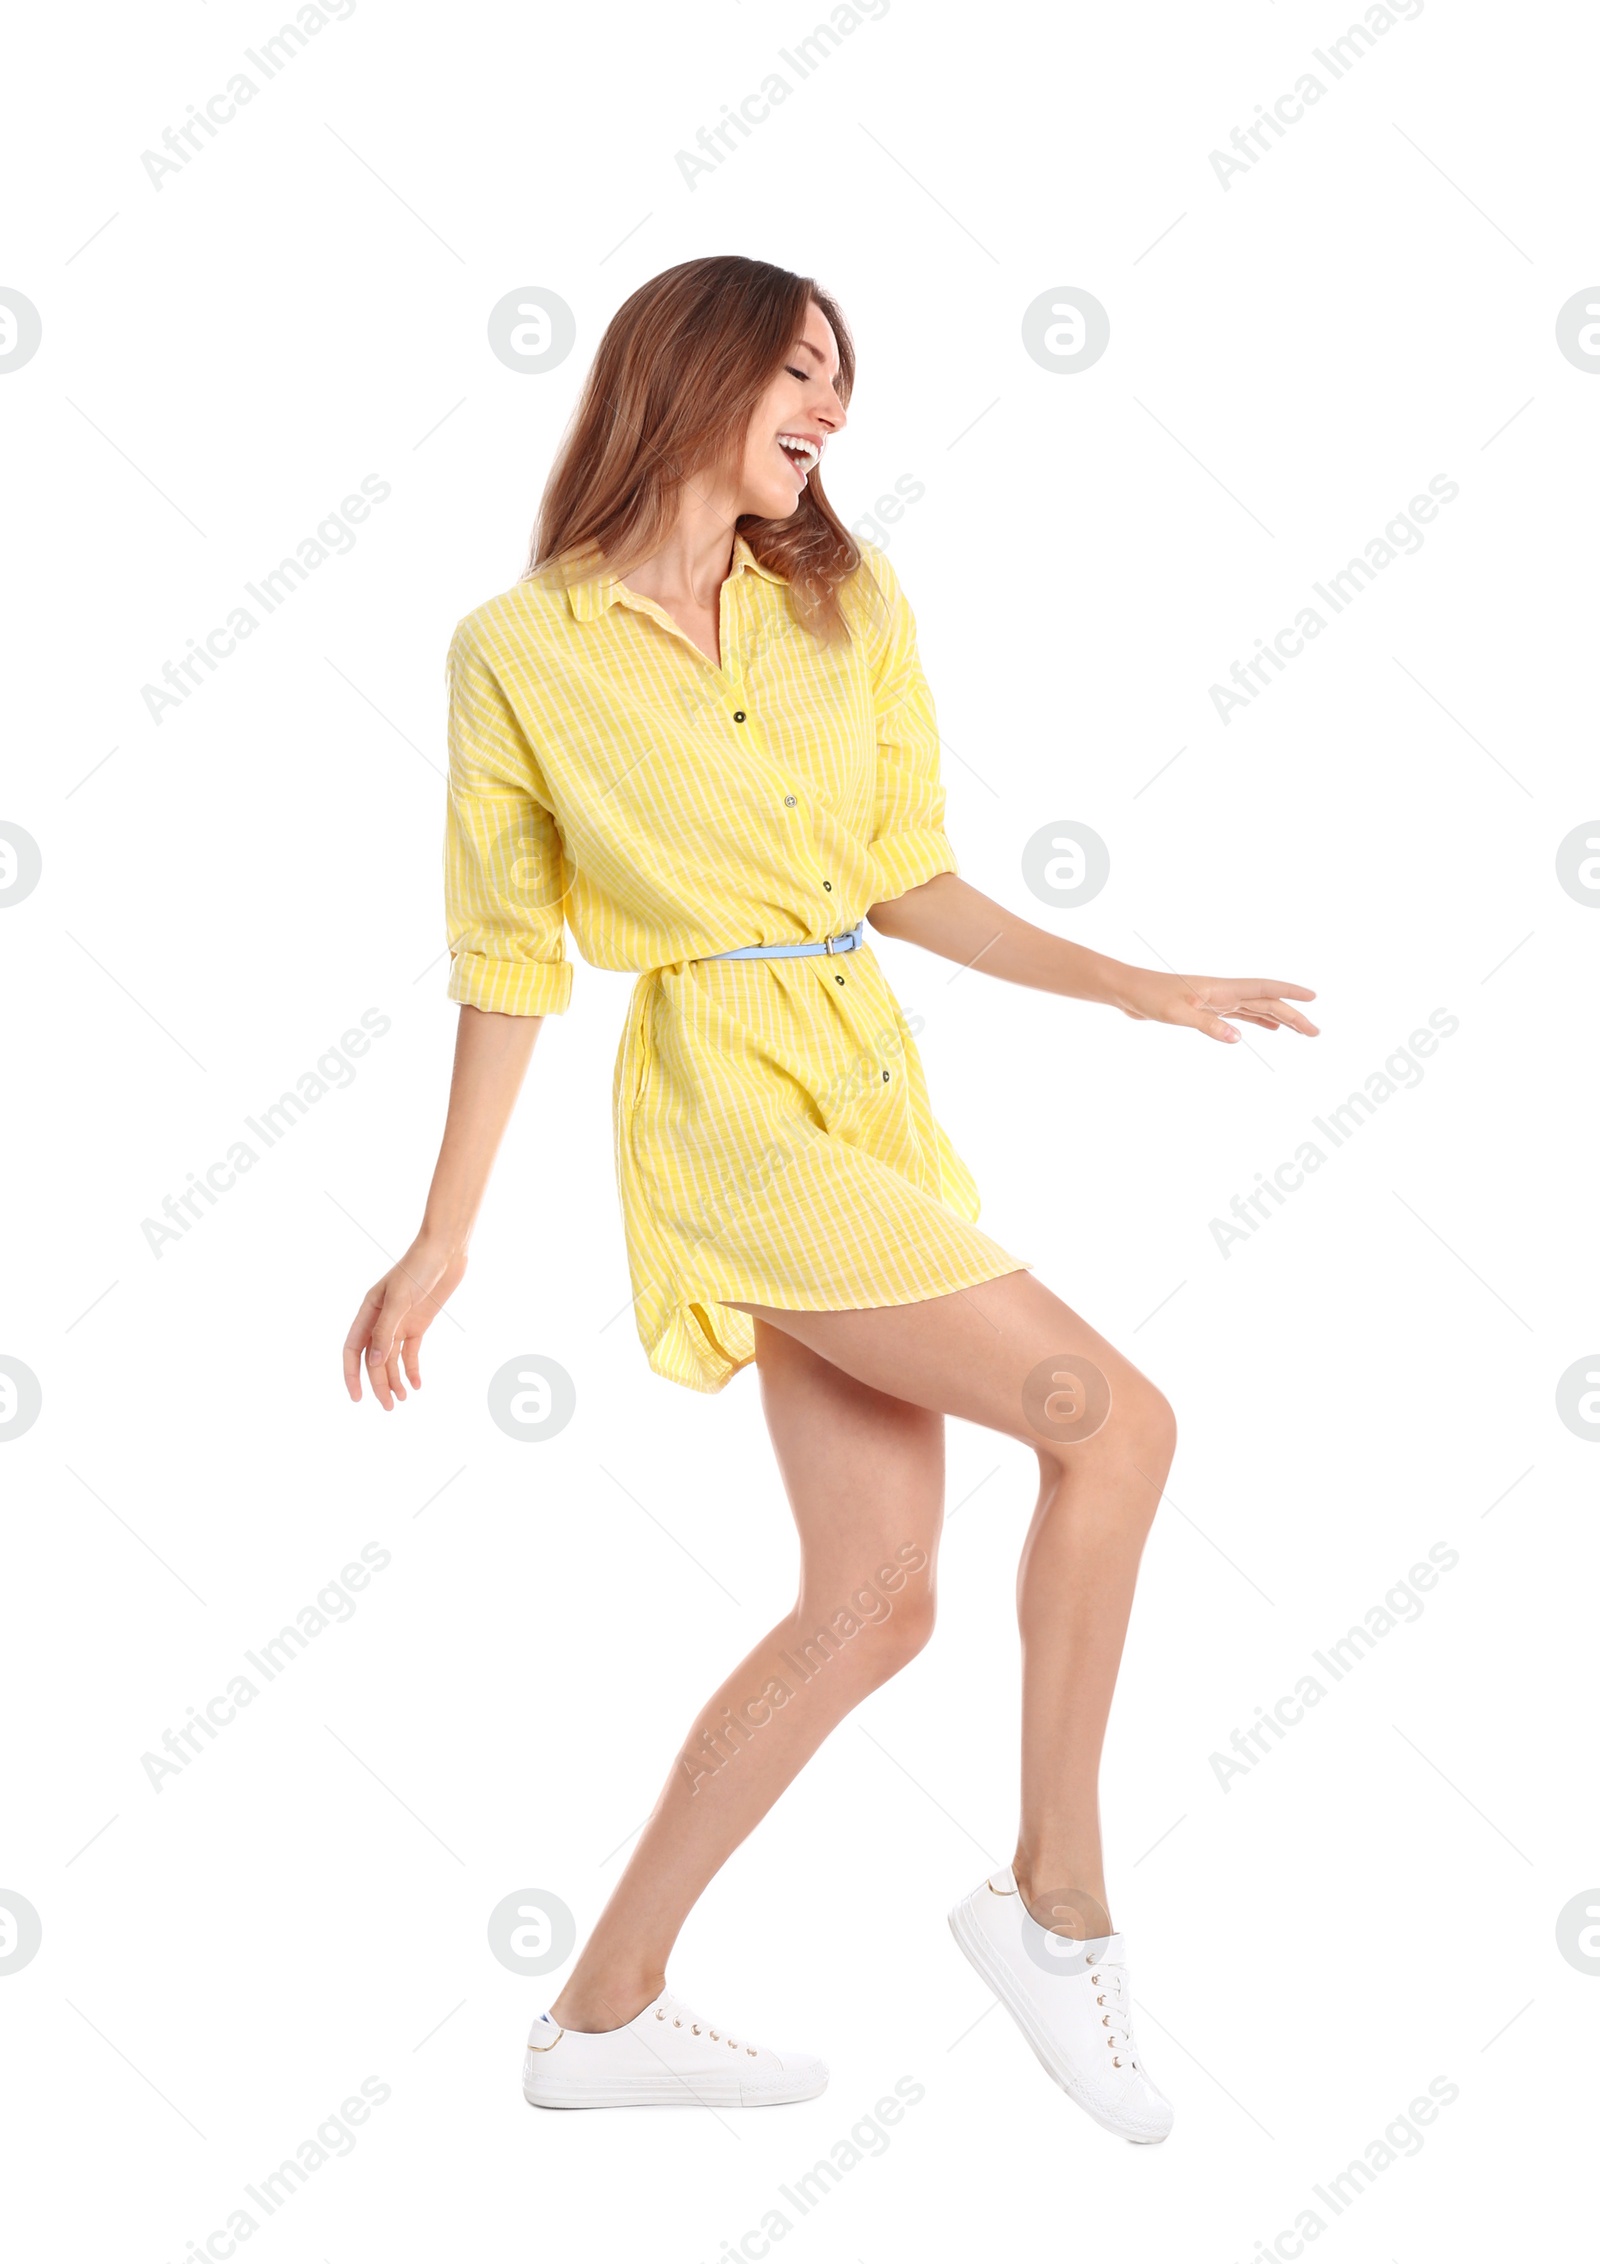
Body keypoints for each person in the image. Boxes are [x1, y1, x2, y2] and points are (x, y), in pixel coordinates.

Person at [341, 254, 1318, 2141]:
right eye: (803, 372)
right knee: (1116, 1426)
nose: (834, 413)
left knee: (872, 1605)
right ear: (693, 374)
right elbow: (507, 957)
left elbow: (902, 878)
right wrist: (445, 1233)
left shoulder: (846, 601)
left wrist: (1134, 980)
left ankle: (604, 2013)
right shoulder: (515, 649)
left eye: (841, 383)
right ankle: (1059, 1901)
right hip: (721, 1116)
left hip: (865, 1092)